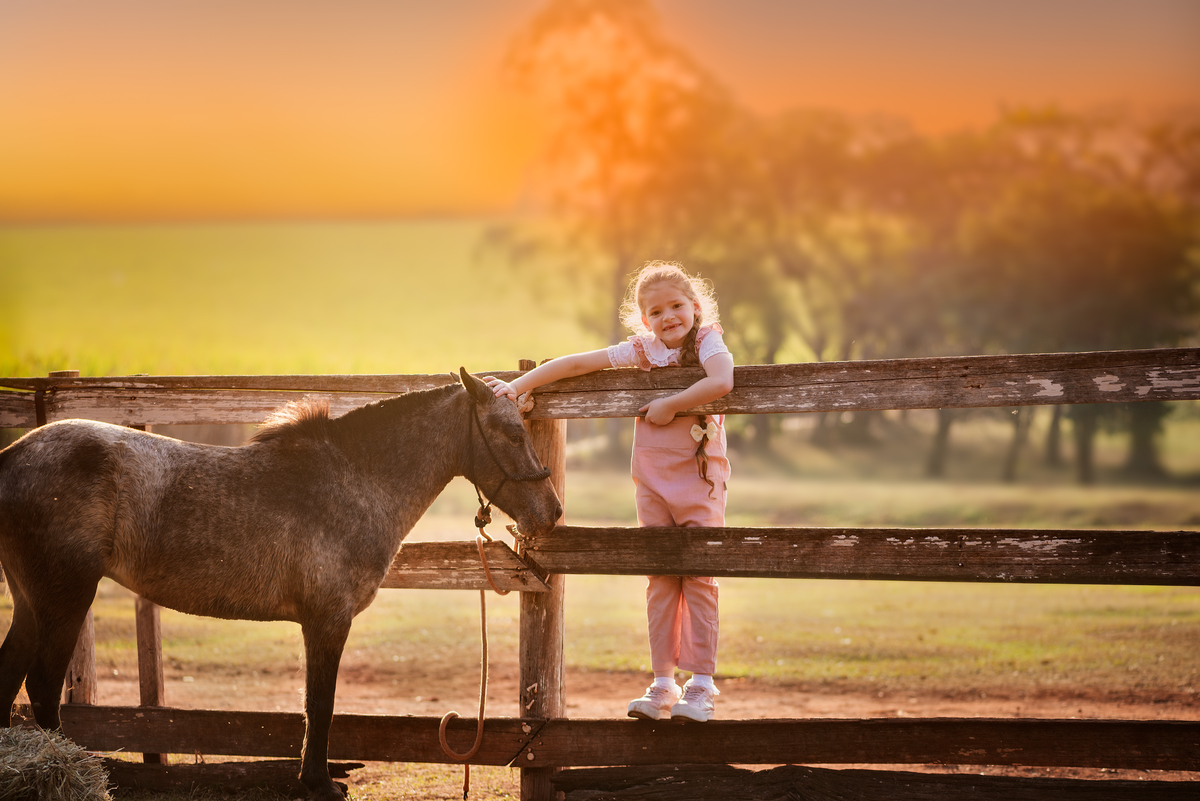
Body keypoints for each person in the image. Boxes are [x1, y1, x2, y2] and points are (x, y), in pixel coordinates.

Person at [485, 261, 734, 722]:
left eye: (677, 306)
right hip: (653, 477)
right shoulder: (643, 350)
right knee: (659, 576)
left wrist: (669, 406)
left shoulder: (707, 340)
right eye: (656, 311)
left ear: (695, 307)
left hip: (700, 478)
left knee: (699, 574)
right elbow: (577, 363)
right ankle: (663, 683)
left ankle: (700, 685)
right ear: (645, 321)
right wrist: (516, 386)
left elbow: (721, 381)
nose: (668, 317)